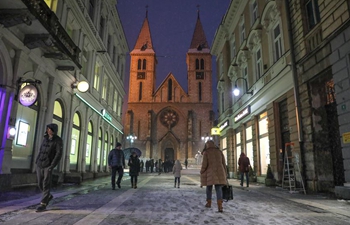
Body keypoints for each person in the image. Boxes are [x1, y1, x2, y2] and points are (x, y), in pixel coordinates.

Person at [35, 123, 63, 212]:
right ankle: (48, 196)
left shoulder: (58, 140)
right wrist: (37, 160)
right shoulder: (45, 138)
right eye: (47, 129)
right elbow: (41, 149)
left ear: (53, 130)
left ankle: (43, 204)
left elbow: (58, 154)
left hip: (48, 165)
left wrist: (52, 166)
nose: (48, 130)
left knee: (46, 184)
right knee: (40, 183)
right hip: (40, 163)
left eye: (50, 129)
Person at [200, 140, 227, 213]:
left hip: (210, 173)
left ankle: (209, 203)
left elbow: (204, 165)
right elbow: (224, 163)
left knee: (209, 188)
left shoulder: (206, 152)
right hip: (219, 172)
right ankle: (220, 205)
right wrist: (225, 173)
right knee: (218, 189)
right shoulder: (219, 151)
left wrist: (202, 171)